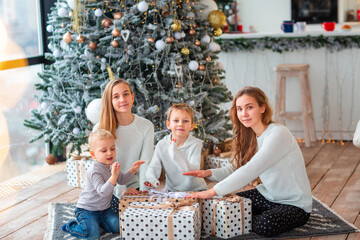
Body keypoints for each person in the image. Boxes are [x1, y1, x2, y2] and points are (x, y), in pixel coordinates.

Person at [184, 86, 312, 237]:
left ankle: (237, 220)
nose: (243, 114)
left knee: (266, 225)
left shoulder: (278, 133)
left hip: (295, 204)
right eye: (239, 109)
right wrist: (208, 172)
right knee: (227, 204)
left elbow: (251, 169)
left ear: (262, 108)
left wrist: (212, 191)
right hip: (267, 195)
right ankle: (237, 219)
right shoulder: (250, 135)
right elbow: (235, 167)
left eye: (249, 107)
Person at [62, 129, 144, 239]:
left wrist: (133, 170)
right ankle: (71, 226)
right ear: (93, 154)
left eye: (112, 149)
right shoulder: (94, 171)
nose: (110, 153)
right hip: (87, 210)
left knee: (119, 227)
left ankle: (98, 223)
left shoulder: (111, 165)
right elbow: (103, 192)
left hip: (105, 209)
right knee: (92, 235)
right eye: (104, 151)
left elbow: (122, 180)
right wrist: (113, 176)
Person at [93, 78, 154, 212]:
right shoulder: (100, 129)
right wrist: (121, 192)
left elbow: (146, 163)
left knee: (140, 217)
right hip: (108, 188)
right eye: (116, 96)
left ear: (132, 97)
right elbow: (101, 168)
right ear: (110, 102)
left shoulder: (146, 126)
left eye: (126, 94)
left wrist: (144, 195)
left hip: (134, 186)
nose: (122, 99)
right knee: (117, 224)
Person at [145, 103, 207, 192]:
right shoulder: (162, 144)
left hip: (196, 189)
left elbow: (193, 171)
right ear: (168, 124)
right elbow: (154, 167)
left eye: (185, 121)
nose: (180, 124)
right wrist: (152, 180)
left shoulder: (195, 144)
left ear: (192, 125)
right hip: (173, 190)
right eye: (176, 120)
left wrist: (176, 154)